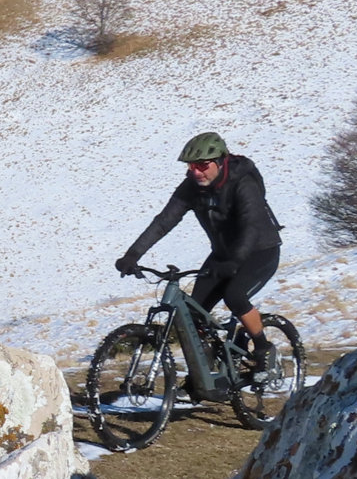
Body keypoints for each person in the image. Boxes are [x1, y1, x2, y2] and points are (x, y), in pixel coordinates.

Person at [115, 132, 283, 368]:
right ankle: (206, 376)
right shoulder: (191, 187)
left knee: (234, 296)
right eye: (191, 166)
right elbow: (164, 221)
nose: (196, 172)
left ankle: (264, 347)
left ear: (220, 161)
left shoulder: (243, 183)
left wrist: (234, 261)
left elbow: (251, 226)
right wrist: (133, 255)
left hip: (260, 251)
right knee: (193, 316)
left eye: (202, 165)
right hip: (223, 255)